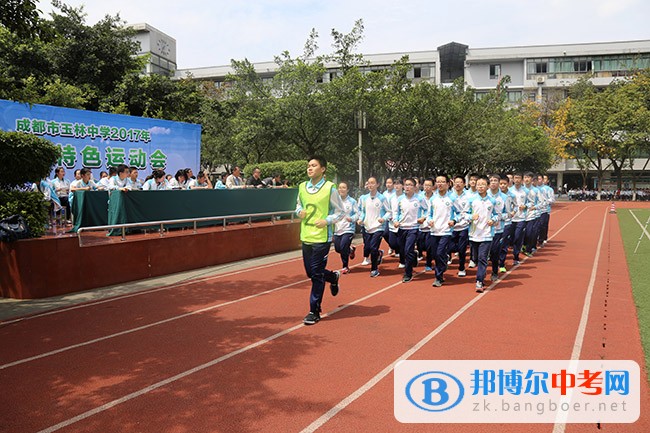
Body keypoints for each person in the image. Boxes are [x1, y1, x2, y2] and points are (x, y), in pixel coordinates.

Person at [296, 156, 345, 325]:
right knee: (311, 273)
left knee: (316, 274)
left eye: (314, 165)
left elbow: (340, 212)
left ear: (322, 169)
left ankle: (314, 310)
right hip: (306, 235)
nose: (310, 168)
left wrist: (327, 221)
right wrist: (299, 212)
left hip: (322, 238)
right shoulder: (302, 187)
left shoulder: (330, 188)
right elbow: (298, 206)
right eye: (308, 165)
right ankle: (332, 277)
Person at [466, 176, 498, 293]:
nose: (480, 186)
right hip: (474, 234)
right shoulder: (471, 200)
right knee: (474, 258)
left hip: (487, 234)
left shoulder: (492, 201)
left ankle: (479, 280)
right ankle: (481, 274)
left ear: (487, 186)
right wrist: (470, 217)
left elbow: (496, 215)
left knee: (482, 258)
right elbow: (465, 214)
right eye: (478, 184)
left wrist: (493, 220)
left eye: (483, 184)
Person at [426, 174, 457, 287]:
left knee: (439, 252)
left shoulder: (452, 198)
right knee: (435, 254)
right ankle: (444, 261)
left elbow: (459, 213)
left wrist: (454, 220)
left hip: (446, 230)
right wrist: (429, 220)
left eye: (442, 182)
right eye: (438, 182)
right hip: (434, 230)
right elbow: (429, 214)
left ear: (448, 184)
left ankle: (438, 277)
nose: (440, 184)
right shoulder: (433, 198)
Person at [357, 176, 390, 277]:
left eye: (372, 183)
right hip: (367, 227)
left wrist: (383, 219)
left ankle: (374, 269)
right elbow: (362, 212)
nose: (370, 185)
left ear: (377, 185)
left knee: (373, 248)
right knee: (367, 248)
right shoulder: (364, 198)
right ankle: (378, 254)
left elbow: (389, 212)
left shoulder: (382, 198)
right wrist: (361, 219)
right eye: (369, 183)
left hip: (378, 227)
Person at [394, 177, 425, 283]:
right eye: (406, 185)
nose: (407, 187)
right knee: (402, 251)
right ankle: (413, 256)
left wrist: (423, 218)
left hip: (413, 228)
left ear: (414, 187)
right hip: (402, 228)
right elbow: (396, 212)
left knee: (408, 250)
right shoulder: (400, 199)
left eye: (410, 185)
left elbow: (427, 210)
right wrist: (395, 220)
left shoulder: (419, 199)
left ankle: (408, 273)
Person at [448, 175, 472, 277]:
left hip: (463, 227)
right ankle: (447, 257)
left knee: (462, 250)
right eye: (456, 182)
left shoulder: (468, 197)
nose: (457, 184)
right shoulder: (449, 196)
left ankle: (461, 268)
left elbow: (468, 211)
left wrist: (466, 218)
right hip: (450, 227)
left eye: (460, 182)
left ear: (464, 184)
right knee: (449, 247)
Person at [333, 181, 357, 274]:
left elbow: (357, 213)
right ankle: (350, 249)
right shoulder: (335, 201)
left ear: (348, 190)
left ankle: (345, 266)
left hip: (348, 229)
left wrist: (352, 218)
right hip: (337, 229)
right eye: (340, 187)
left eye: (343, 188)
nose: (341, 189)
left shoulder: (352, 201)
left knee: (343, 247)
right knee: (338, 249)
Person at [487, 174, 508, 282]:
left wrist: (499, 218)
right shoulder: (484, 196)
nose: (493, 182)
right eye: (491, 180)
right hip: (484, 230)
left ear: (499, 183)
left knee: (495, 252)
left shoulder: (504, 198)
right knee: (482, 254)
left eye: (495, 180)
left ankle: (494, 272)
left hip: (498, 229)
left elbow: (507, 214)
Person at [508, 172, 529, 265]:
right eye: (515, 178)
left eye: (519, 178)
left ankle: (516, 257)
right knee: (511, 238)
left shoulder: (526, 191)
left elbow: (531, 202)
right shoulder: (509, 190)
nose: (517, 180)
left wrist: (525, 206)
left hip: (521, 218)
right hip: (510, 218)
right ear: (512, 179)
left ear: (522, 180)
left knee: (518, 237)